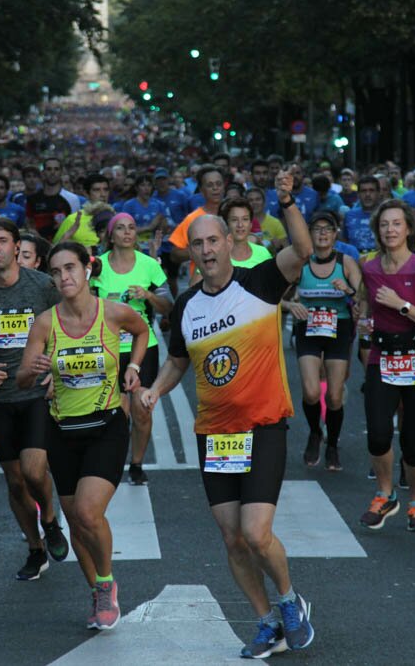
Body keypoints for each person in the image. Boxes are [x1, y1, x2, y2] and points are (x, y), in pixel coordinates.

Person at [139, 170, 316, 659]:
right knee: (233, 538)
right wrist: (155, 390)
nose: (208, 249)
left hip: (262, 426)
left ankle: (289, 600)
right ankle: (265, 622)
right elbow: (178, 359)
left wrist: (288, 202)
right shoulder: (188, 305)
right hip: (215, 435)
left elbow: (301, 252)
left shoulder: (260, 282)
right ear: (190, 253)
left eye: (214, 239)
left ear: (228, 241)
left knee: (257, 533)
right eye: (198, 244)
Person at [18, 241, 148, 631]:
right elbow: (23, 375)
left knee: (90, 513)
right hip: (63, 431)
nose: (64, 278)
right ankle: (95, 591)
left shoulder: (112, 313)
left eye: (70, 268)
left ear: (88, 269)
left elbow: (141, 331)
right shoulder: (45, 322)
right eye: (56, 272)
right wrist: (36, 368)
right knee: (76, 521)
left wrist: (135, 366)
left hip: (106, 426)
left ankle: (106, 582)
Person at [0, 218, 70, 581]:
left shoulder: (41, 285)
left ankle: (51, 521)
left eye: (2, 241)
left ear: (15, 246)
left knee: (34, 470)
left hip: (37, 391)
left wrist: (56, 372)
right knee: (14, 481)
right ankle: (35, 548)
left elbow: (67, 325)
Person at [358, 199, 415, 532]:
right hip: (383, 358)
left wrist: (403, 306)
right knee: (379, 435)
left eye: (396, 224)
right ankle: (385, 494)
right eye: (384, 224)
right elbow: (364, 309)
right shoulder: (369, 268)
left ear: (408, 228)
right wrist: (364, 324)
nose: (390, 230)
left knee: (412, 440)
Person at [91, 213, 173, 485]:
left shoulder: (149, 266)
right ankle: (111, 462)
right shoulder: (97, 267)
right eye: (121, 228)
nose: (127, 233)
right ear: (110, 235)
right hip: (107, 347)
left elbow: (168, 307)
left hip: (143, 346)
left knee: (141, 408)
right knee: (117, 412)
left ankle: (136, 463)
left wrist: (148, 295)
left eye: (132, 228)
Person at [283, 211, 361, 471]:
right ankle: (316, 432)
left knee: (336, 396)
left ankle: (332, 445)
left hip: (339, 329)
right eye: (317, 229)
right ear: (310, 233)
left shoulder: (345, 262)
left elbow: (363, 297)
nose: (323, 233)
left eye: (328, 228)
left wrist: (349, 291)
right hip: (308, 329)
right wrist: (290, 305)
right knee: (311, 391)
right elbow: (275, 296)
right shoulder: (300, 263)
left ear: (336, 233)